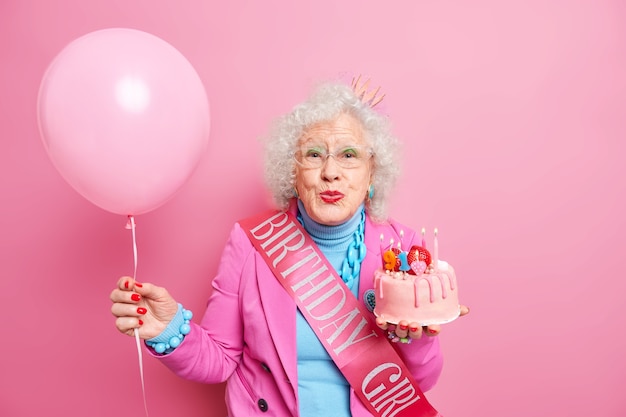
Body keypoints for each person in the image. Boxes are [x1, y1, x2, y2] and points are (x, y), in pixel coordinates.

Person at [110, 77, 469, 417]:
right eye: (314, 155)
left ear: (372, 173)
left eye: (349, 155)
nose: (331, 172)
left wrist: (417, 339)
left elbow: (419, 382)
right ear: (292, 173)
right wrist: (169, 330)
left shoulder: (405, 248)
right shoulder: (251, 242)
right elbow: (218, 360)